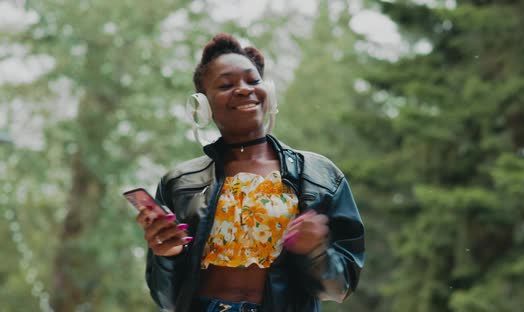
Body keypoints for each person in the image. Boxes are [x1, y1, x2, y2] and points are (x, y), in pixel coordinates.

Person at [135, 33, 365, 312]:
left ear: (269, 92)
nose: (244, 89)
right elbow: (166, 300)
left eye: (253, 80)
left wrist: (315, 251)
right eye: (225, 84)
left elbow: (341, 288)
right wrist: (167, 255)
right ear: (203, 105)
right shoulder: (180, 183)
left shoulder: (320, 177)